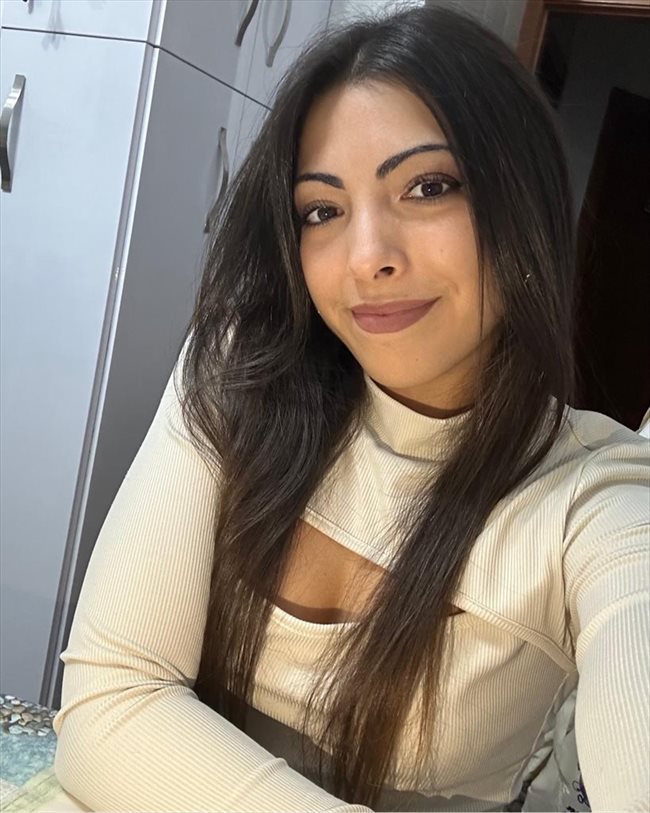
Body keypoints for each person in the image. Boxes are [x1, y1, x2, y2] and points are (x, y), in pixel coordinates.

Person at [52, 5, 649, 812]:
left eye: (428, 187)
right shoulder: (240, 374)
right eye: (322, 210)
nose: (368, 258)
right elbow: (108, 701)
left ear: (524, 203)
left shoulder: (596, 498)